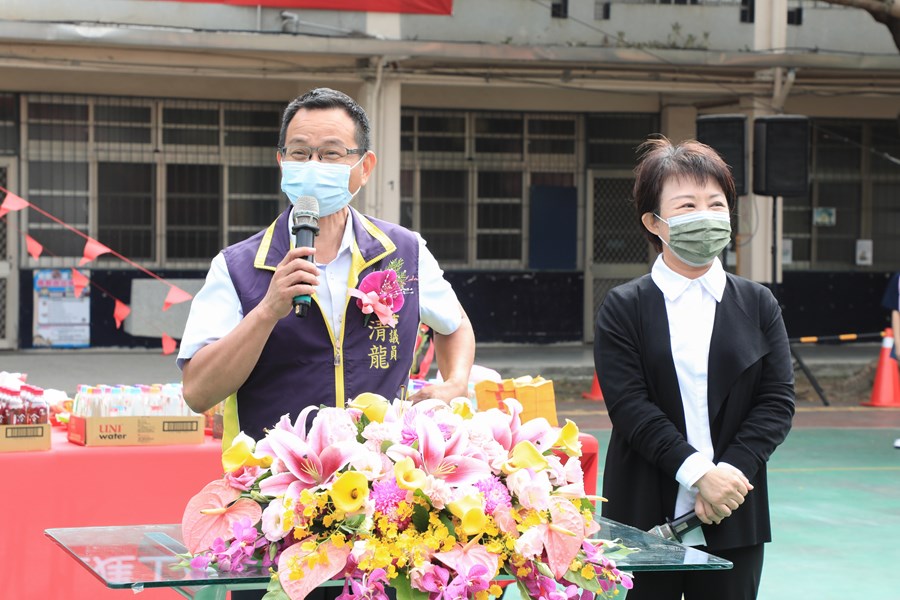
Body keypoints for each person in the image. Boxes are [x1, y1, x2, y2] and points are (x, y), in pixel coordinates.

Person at [178, 87, 474, 599]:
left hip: (384, 505)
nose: (313, 165)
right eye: (300, 152)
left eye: (332, 153)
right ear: (281, 163)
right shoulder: (238, 265)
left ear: (363, 166)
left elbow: (456, 326)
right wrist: (268, 309)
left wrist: (456, 383)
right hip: (275, 510)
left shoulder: (402, 251)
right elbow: (198, 390)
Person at [593, 137, 795, 600]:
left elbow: (776, 402)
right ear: (654, 222)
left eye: (715, 203)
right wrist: (699, 473)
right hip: (645, 517)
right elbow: (630, 407)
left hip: (735, 511)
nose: (705, 216)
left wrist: (728, 480)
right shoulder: (624, 306)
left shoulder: (758, 303)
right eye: (687, 205)